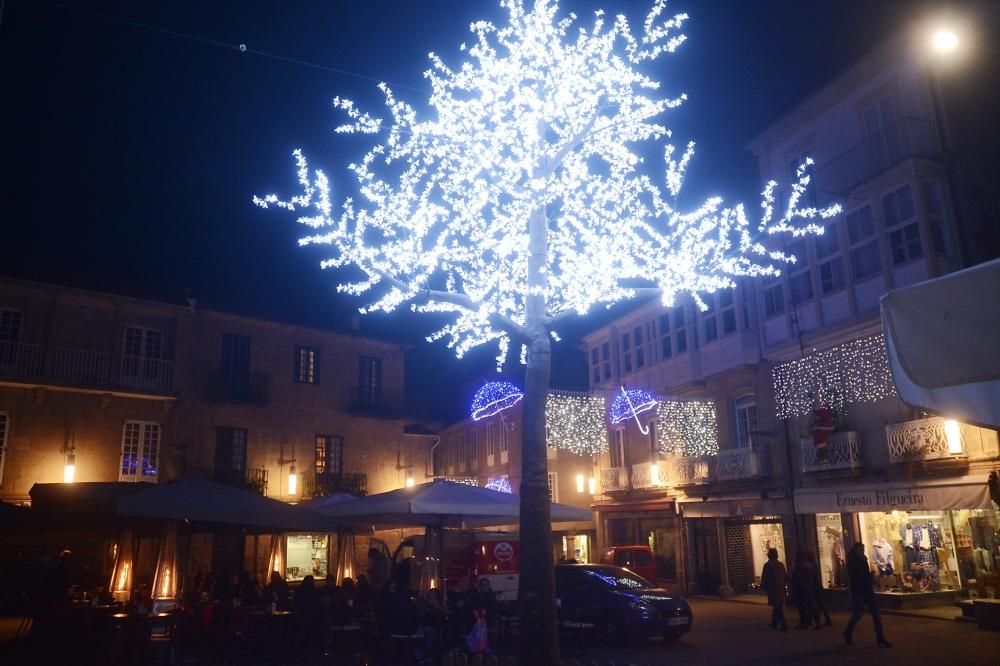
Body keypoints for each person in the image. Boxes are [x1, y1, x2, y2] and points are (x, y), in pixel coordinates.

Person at [843, 542, 892, 648]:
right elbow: (857, 576)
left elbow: (861, 575)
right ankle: (848, 633)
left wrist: (869, 576)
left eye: (863, 548)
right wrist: (870, 576)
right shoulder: (854, 560)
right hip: (860, 590)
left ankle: (880, 638)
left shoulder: (860, 559)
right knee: (859, 613)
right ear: (857, 549)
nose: (863, 550)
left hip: (864, 589)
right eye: (861, 548)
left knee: (874, 614)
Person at [790, 549, 821, 629]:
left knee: (803, 606)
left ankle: (804, 622)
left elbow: (795, 577)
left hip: (801, 588)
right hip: (809, 587)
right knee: (811, 605)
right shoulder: (809, 565)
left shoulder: (799, 566)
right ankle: (816, 622)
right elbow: (814, 577)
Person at [760, 548, 788, 631]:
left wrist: (764, 586)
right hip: (780, 588)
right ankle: (774, 622)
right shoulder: (781, 565)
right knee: (777, 605)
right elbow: (785, 577)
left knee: (777, 607)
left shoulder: (768, 565)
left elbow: (765, 577)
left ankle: (783, 624)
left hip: (773, 588)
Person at [808, 550, 833, 627]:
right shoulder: (814, 565)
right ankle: (825, 619)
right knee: (819, 604)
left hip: (815, 587)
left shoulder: (811, 566)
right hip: (817, 586)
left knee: (815, 604)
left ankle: (816, 621)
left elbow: (814, 577)